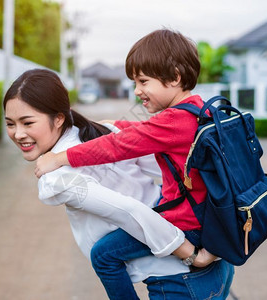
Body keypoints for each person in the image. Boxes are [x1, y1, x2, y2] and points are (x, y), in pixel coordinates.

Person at [34, 29, 235, 299]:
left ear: (175, 77)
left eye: (143, 81)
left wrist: (60, 158)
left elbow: (118, 146)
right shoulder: (199, 110)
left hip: (188, 223)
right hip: (209, 217)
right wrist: (113, 125)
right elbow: (142, 130)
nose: (137, 90)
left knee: (103, 255)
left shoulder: (173, 121)